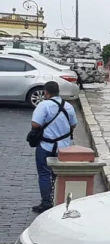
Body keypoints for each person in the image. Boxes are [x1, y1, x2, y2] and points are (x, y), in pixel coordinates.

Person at [30, 81, 77, 213]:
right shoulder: (68, 106)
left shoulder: (44, 105)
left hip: (46, 146)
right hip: (64, 147)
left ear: (46, 92)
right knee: (60, 173)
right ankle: (59, 199)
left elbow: (35, 124)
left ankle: (46, 202)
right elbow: (73, 124)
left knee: (44, 174)